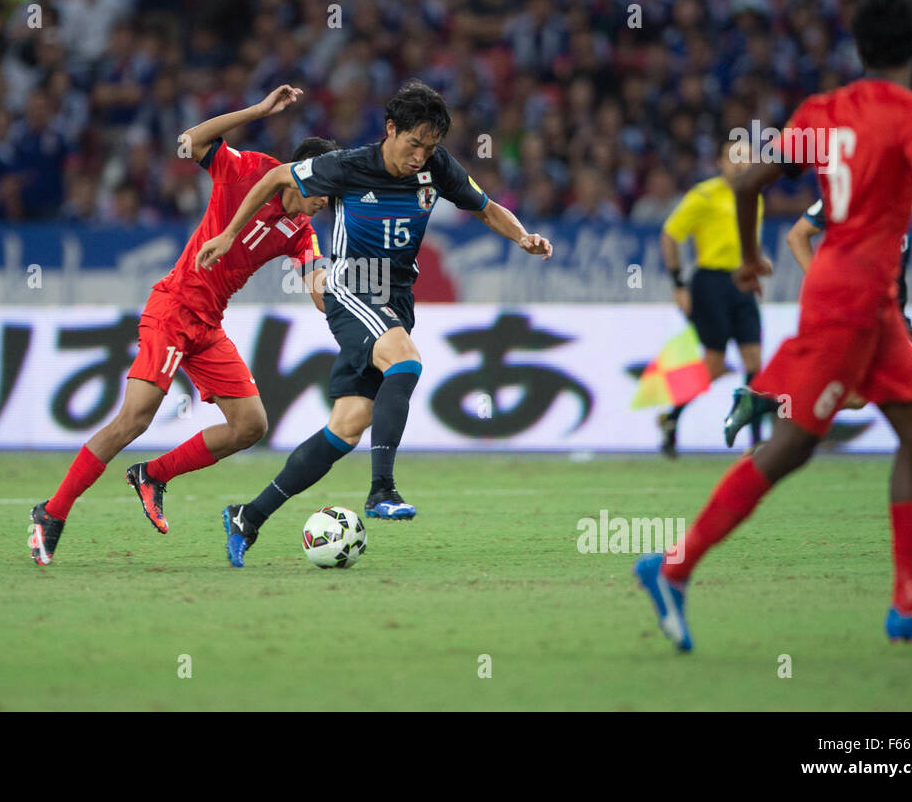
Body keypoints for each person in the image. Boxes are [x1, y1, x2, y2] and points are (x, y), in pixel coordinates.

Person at [637, 0, 912, 650]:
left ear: (859, 45)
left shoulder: (823, 110)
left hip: (865, 298)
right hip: (852, 304)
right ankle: (671, 566)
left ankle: (910, 600)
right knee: (792, 446)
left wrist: (747, 260)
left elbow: (745, 184)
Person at [196, 80, 552, 567]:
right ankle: (381, 489)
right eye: (413, 144)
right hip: (351, 285)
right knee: (405, 361)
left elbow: (487, 208)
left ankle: (248, 516)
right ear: (391, 130)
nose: (420, 156)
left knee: (346, 427)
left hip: (397, 299)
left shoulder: (437, 168)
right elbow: (276, 179)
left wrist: (523, 237)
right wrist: (230, 234)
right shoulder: (346, 166)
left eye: (430, 147)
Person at [28, 85, 334, 565]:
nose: (327, 200)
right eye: (325, 188)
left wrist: (337, 293)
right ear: (301, 175)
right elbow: (188, 142)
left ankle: (152, 475)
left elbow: (317, 289)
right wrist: (256, 110)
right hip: (174, 308)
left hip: (207, 323)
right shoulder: (249, 170)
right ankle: (52, 512)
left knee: (250, 424)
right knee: (135, 417)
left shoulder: (303, 233)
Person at [727, 194, 912, 506]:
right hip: (874, 313)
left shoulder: (909, 185)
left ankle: (764, 403)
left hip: (889, 311)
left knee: (856, 397)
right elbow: (797, 235)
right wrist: (825, 285)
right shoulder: (855, 186)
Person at [658, 139, 765, 456]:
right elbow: (670, 234)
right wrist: (678, 284)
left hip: (743, 283)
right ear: (720, 162)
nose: (741, 164)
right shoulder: (704, 195)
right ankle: (672, 417)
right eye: (734, 158)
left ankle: (755, 440)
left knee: (755, 363)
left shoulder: (754, 197)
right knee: (714, 365)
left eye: (746, 158)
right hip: (711, 283)